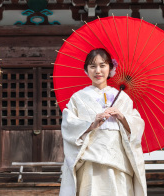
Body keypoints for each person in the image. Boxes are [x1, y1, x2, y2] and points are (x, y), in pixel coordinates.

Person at [60, 48, 146, 196]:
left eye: (102, 65)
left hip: (118, 160)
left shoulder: (122, 98)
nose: (98, 71)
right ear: (86, 70)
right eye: (92, 66)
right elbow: (69, 126)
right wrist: (91, 125)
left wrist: (122, 117)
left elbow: (137, 126)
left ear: (111, 68)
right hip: (90, 161)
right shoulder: (78, 98)